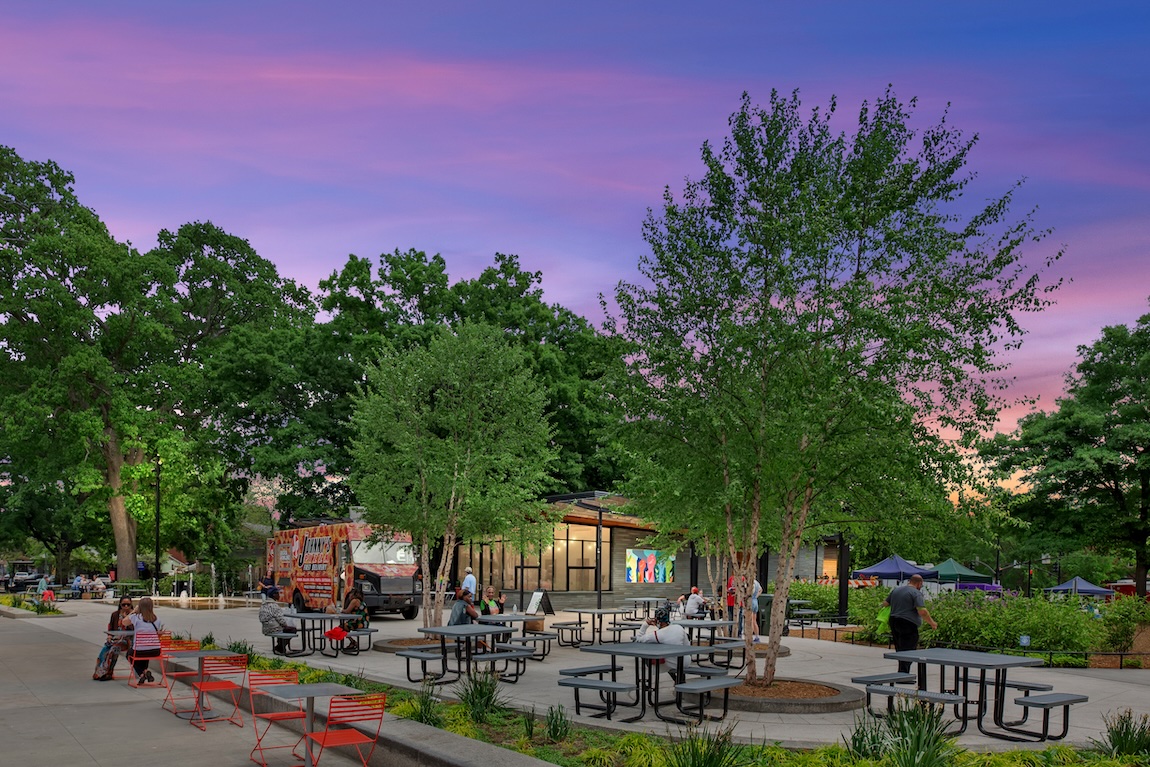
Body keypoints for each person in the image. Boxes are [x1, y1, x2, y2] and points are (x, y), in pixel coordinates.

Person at [883, 574, 938, 673]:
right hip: (908, 623)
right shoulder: (916, 593)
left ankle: (901, 672)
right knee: (909, 648)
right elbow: (922, 611)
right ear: (919, 583)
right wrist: (932, 623)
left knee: (900, 647)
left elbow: (885, 603)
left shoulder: (896, 590)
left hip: (894, 620)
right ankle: (904, 674)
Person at [121, 595, 164, 684]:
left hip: (140, 650)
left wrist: (133, 611)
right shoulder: (157, 619)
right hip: (156, 650)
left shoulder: (137, 617)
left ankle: (142, 673)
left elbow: (124, 622)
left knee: (129, 654)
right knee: (146, 650)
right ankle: (145, 672)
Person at [94, 597, 134, 680]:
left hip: (128, 640)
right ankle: (100, 672)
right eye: (123, 605)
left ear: (131, 605)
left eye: (128, 605)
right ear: (120, 605)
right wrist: (109, 636)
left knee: (114, 649)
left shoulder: (134, 616)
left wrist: (126, 619)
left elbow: (134, 629)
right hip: (115, 638)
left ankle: (109, 671)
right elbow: (111, 628)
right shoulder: (115, 615)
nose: (126, 606)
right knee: (105, 649)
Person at [258, 588, 297, 653]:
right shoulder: (274, 606)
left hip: (266, 629)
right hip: (274, 629)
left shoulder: (263, 605)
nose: (279, 595)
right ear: (274, 595)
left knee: (284, 628)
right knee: (292, 629)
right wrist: (286, 625)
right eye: (278, 594)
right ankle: (280, 647)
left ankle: (280, 646)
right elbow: (281, 619)